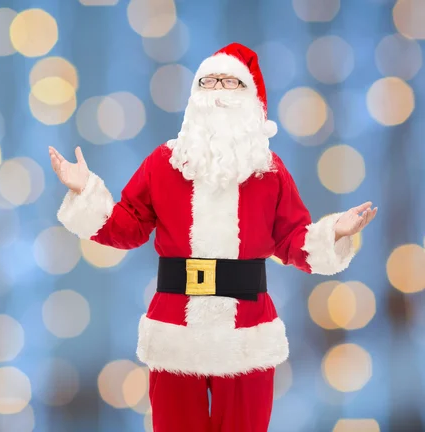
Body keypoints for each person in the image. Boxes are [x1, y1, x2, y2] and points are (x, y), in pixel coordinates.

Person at [49, 42, 377, 432]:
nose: (218, 90)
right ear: (195, 95)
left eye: (230, 82)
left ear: (251, 99)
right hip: (176, 331)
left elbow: (292, 239)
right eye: (210, 81)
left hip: (246, 334)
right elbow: (128, 226)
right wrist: (85, 189)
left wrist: (334, 232)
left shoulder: (268, 172)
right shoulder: (164, 163)